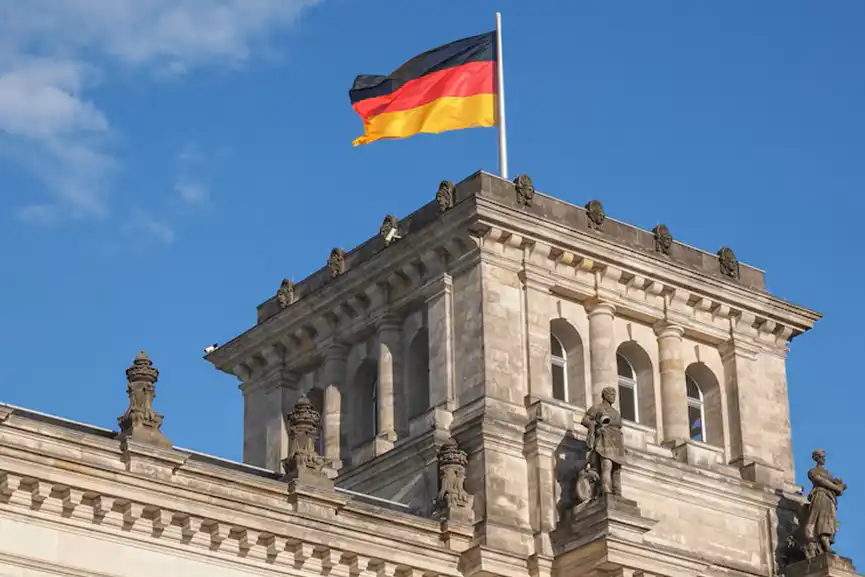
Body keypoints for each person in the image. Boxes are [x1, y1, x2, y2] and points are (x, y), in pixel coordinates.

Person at [581, 386, 626, 495]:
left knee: (617, 469)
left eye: (614, 395)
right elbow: (585, 420)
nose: (613, 397)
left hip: (616, 441)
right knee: (606, 464)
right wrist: (596, 425)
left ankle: (617, 491)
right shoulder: (598, 408)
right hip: (604, 439)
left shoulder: (616, 412)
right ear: (605, 395)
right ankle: (606, 488)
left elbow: (619, 427)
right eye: (611, 395)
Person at [803, 449, 846, 558]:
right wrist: (836, 487)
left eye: (824, 457)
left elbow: (836, 487)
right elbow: (820, 481)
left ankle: (826, 543)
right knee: (822, 519)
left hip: (830, 498)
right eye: (821, 457)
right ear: (816, 458)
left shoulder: (828, 474)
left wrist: (840, 486)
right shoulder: (812, 471)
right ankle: (824, 543)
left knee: (831, 520)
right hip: (821, 496)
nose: (823, 459)